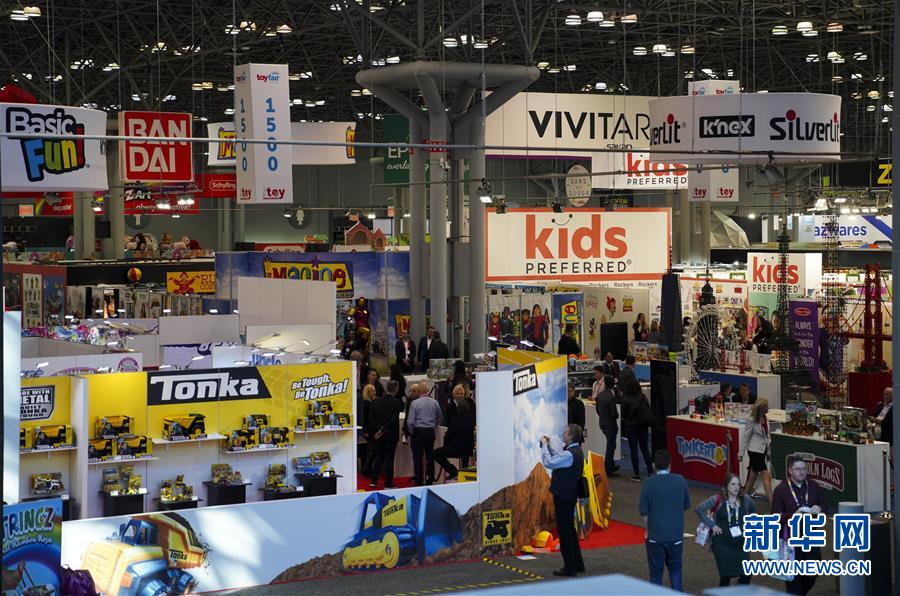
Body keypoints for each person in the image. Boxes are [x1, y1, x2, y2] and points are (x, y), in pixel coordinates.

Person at [772, 455, 827, 595]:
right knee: (793, 579)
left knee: (812, 573)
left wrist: (820, 508)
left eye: (804, 469)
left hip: (810, 537)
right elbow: (775, 516)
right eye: (798, 469)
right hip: (790, 540)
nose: (802, 472)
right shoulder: (781, 489)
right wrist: (793, 515)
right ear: (790, 471)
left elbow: (825, 505)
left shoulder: (813, 486)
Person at [639, 450, 691, 591]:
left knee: (656, 575)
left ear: (654, 465)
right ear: (670, 465)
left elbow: (644, 511)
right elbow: (686, 504)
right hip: (675, 536)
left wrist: (649, 529)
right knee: (675, 571)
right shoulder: (680, 481)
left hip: (655, 536)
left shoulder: (648, 483)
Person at [694, 473, 756, 586]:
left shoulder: (745, 499)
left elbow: (753, 512)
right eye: (733, 484)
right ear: (726, 486)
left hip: (741, 544)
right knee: (726, 575)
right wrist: (712, 525)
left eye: (738, 484)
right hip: (722, 544)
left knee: (747, 574)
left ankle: (737, 591)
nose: (736, 487)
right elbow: (699, 509)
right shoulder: (717, 499)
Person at [540, 424, 585, 577]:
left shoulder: (569, 454)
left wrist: (544, 446)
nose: (563, 434)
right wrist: (549, 447)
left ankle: (570, 567)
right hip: (569, 495)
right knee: (570, 530)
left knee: (565, 532)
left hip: (563, 496)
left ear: (570, 436)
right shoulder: (575, 451)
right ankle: (577, 564)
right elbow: (558, 458)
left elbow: (549, 462)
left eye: (565, 432)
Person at [368, 380, 403, 488]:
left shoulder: (376, 401)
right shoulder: (396, 403)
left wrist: (379, 430)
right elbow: (393, 420)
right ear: (396, 389)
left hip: (378, 435)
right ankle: (388, 482)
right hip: (390, 435)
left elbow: (372, 418)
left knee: (380, 457)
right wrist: (383, 430)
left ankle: (374, 480)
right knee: (390, 459)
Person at [406, 383, 443, 486]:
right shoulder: (435, 402)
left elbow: (410, 421)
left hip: (418, 432)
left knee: (417, 457)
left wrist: (412, 431)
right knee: (430, 456)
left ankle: (419, 479)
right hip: (430, 431)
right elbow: (440, 417)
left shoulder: (414, 403)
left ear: (419, 391)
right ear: (427, 390)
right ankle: (430, 478)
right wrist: (434, 425)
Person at [740, 398, 773, 503]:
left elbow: (767, 437)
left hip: (762, 450)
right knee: (766, 476)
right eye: (766, 406)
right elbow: (745, 437)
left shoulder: (766, 418)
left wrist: (768, 452)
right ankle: (773, 504)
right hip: (754, 451)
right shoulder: (752, 420)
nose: (768, 408)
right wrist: (740, 454)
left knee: (752, 476)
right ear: (761, 408)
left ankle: (744, 500)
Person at [434, 399, 475, 482]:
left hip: (457, 449)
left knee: (435, 453)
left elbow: (448, 436)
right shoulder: (474, 419)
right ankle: (464, 473)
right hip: (470, 448)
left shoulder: (454, 420)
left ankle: (453, 471)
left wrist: (446, 445)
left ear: (458, 409)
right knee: (465, 456)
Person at [620, 376, 653, 480]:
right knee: (645, 449)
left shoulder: (625, 399)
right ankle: (650, 471)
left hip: (631, 427)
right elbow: (648, 409)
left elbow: (623, 414)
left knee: (633, 450)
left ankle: (636, 474)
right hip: (643, 425)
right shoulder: (642, 397)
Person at [593, 370, 620, 476]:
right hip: (610, 424)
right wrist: (616, 415)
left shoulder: (599, 396)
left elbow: (597, 410)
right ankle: (608, 468)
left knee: (611, 445)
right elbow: (614, 413)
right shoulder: (611, 397)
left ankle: (611, 465)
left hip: (603, 423)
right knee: (610, 447)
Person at [360, 384, 378, 477]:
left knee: (373, 449)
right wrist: (365, 431)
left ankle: (367, 468)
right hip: (369, 430)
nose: (374, 393)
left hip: (372, 429)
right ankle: (367, 468)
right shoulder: (366, 403)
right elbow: (365, 418)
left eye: (374, 391)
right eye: (372, 391)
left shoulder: (372, 402)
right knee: (372, 449)